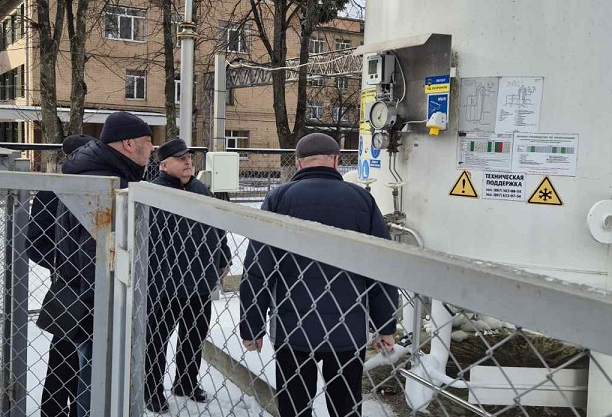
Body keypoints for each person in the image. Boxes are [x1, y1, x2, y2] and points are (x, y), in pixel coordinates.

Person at [239, 133, 399, 417]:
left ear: (299, 163)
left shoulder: (278, 198)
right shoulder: (362, 200)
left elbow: (258, 268)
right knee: (346, 406)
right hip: (347, 329)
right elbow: (382, 267)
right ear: (336, 161)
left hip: (292, 329)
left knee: (294, 406)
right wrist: (384, 325)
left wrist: (252, 327)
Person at [37, 111, 153, 417]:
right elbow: (88, 252)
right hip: (97, 305)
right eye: (148, 141)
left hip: (80, 296)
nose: (153, 148)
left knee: (74, 375)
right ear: (128, 144)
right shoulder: (109, 184)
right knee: (93, 384)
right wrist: (100, 302)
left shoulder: (95, 175)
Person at [144, 138, 231, 413]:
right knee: (156, 341)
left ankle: (186, 382)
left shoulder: (200, 189)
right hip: (164, 284)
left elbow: (217, 226)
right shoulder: (153, 192)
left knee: (194, 337)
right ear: (163, 165)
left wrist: (223, 257)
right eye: (180, 159)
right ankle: (152, 390)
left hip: (199, 280)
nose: (187, 162)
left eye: (188, 158)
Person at [28, 134, 95, 417]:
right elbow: (34, 242)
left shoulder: (99, 187)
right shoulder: (53, 191)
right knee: (64, 354)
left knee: (88, 358)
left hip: (95, 287)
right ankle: (53, 410)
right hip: (68, 288)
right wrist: (64, 265)